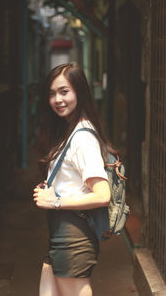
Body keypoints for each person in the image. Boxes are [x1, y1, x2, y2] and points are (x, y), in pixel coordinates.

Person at [33, 62, 116, 296]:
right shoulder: (71, 132)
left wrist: (55, 202)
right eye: (52, 93)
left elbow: (102, 194)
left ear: (80, 92)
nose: (57, 99)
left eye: (64, 91)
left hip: (73, 234)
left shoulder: (82, 137)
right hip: (63, 232)